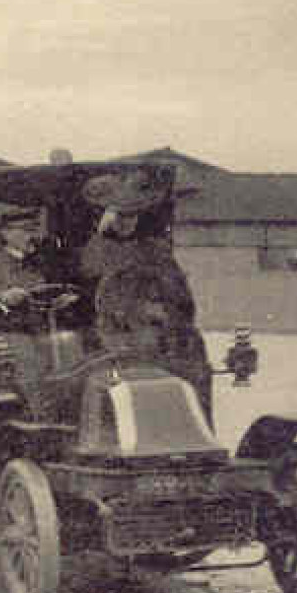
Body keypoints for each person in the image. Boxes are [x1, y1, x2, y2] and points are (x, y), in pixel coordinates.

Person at [78, 171, 212, 414]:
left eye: (132, 215)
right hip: (117, 333)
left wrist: (166, 311)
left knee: (194, 357)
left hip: (164, 333)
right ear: (106, 217)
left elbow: (181, 296)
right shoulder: (96, 250)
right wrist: (140, 311)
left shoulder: (155, 249)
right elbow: (97, 285)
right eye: (119, 215)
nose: (126, 222)